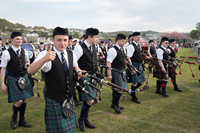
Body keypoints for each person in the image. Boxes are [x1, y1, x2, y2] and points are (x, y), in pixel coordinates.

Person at [27, 27, 85, 133]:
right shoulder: (45, 54)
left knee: (71, 129)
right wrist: (44, 59)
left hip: (68, 98)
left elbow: (76, 68)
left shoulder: (70, 53)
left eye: (65, 40)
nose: (62, 43)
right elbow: (30, 70)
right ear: (53, 40)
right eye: (59, 40)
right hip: (54, 99)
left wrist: (81, 73)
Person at [1, 31, 33, 129]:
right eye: (17, 39)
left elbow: (27, 62)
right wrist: (2, 83)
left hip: (24, 77)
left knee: (23, 100)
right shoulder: (6, 53)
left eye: (20, 39)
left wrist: (27, 65)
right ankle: (14, 118)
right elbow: (3, 68)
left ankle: (22, 120)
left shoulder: (24, 51)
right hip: (13, 78)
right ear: (12, 40)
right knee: (19, 101)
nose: (19, 41)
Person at [74, 27, 99, 132]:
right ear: (89, 36)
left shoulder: (94, 46)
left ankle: (85, 120)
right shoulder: (79, 47)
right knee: (89, 101)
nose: (97, 39)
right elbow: (73, 63)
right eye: (96, 37)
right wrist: (78, 73)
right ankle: (81, 120)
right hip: (84, 78)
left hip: (92, 77)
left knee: (90, 101)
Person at [107, 34, 127, 113]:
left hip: (121, 71)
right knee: (120, 89)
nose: (124, 42)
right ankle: (116, 105)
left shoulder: (122, 49)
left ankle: (114, 104)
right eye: (123, 41)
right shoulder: (112, 49)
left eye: (124, 41)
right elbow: (108, 62)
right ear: (118, 40)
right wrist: (109, 74)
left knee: (116, 89)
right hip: (115, 72)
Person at [126, 32, 146, 104]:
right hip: (134, 65)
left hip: (139, 65)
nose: (139, 38)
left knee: (142, 81)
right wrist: (131, 67)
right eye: (137, 37)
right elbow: (128, 57)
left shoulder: (138, 45)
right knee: (135, 82)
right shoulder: (131, 46)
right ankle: (134, 97)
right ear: (133, 37)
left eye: (139, 37)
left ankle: (132, 91)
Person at [67, 35, 82, 106]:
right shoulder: (65, 49)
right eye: (69, 41)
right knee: (71, 86)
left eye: (71, 41)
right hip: (68, 70)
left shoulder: (74, 48)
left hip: (75, 69)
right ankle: (74, 100)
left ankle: (76, 99)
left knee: (75, 85)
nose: (70, 42)